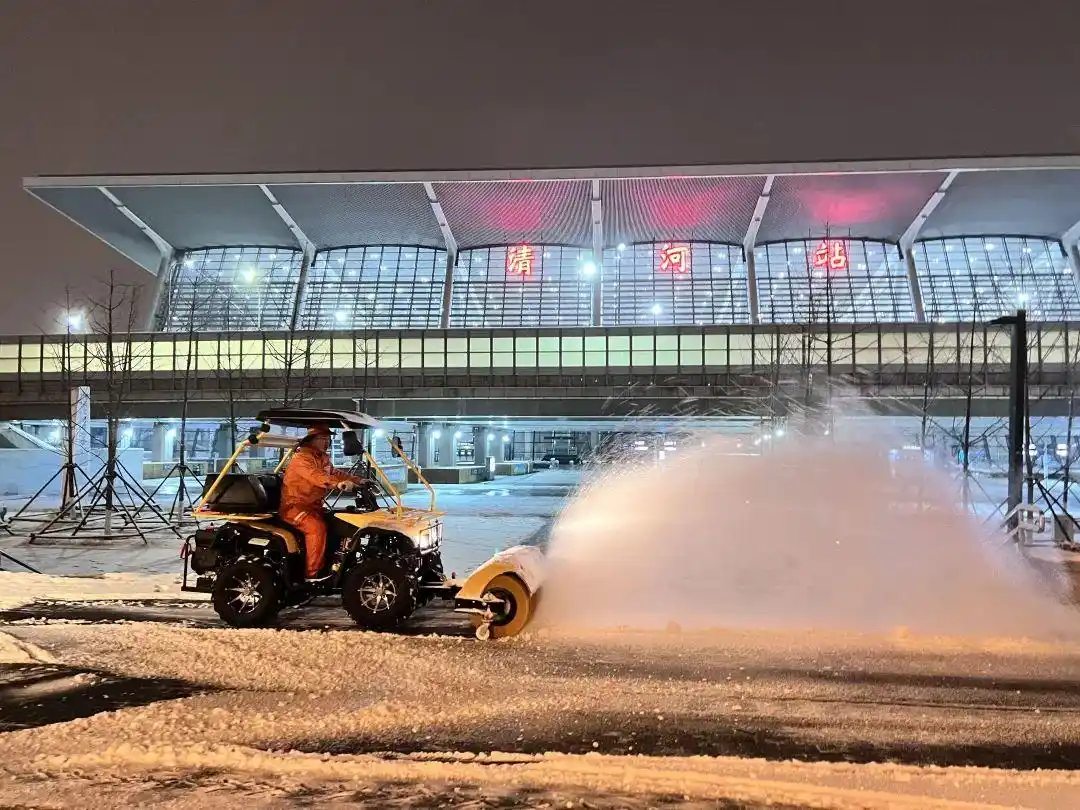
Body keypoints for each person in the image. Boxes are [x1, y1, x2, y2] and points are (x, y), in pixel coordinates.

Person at [280, 423, 364, 580]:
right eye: (322, 438)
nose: (326, 442)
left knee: (340, 521)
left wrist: (358, 480)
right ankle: (313, 575)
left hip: (315, 506)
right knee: (316, 528)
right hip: (295, 507)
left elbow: (335, 473)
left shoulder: (322, 458)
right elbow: (316, 476)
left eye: (328, 439)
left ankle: (335, 563)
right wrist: (338, 484)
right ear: (311, 440)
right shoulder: (301, 459)